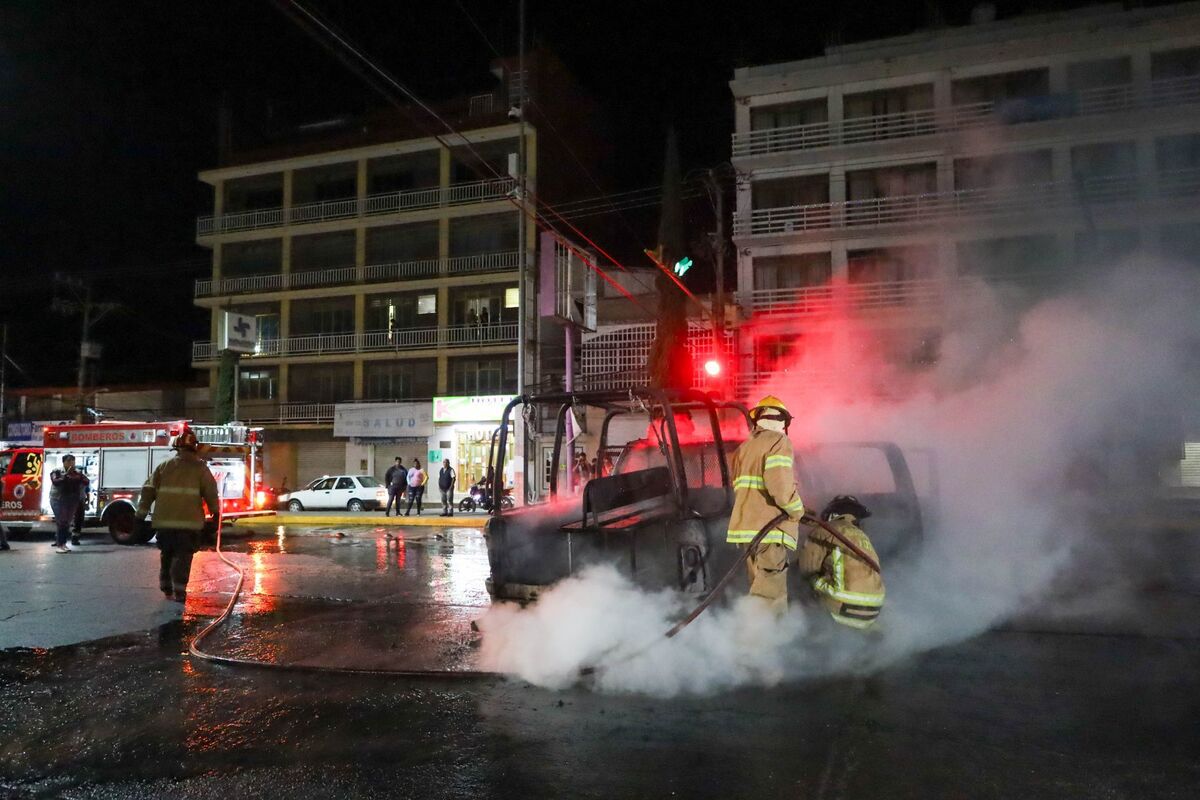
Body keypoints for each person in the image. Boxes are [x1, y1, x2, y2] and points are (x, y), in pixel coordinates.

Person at [726, 395, 806, 616]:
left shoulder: (744, 447)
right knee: (771, 593)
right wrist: (797, 511)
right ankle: (763, 641)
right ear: (782, 421)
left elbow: (737, 485)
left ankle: (756, 640)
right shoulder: (779, 442)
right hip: (769, 530)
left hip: (746, 530)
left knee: (758, 586)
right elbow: (779, 485)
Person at [135, 428, 221, 603]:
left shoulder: (164, 467)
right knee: (183, 556)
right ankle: (180, 591)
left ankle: (166, 587)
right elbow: (211, 492)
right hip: (189, 525)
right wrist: (216, 513)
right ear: (194, 448)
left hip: (164, 523)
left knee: (166, 554)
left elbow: (148, 490)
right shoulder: (201, 469)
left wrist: (140, 516)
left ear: (177, 448)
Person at [799, 495, 885, 630]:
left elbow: (806, 569)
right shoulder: (863, 537)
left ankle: (811, 633)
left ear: (832, 514)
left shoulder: (824, 531)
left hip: (843, 609)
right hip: (872, 613)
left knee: (805, 580)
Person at [48, 454, 89, 554]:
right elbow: (55, 481)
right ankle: (60, 544)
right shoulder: (57, 471)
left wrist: (77, 477)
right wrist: (66, 476)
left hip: (72, 500)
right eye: (69, 461)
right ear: (64, 462)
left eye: (73, 461)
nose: (71, 463)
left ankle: (63, 543)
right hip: (58, 499)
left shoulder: (77, 472)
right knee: (61, 521)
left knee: (67, 522)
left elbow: (86, 481)